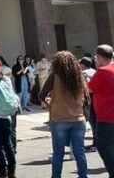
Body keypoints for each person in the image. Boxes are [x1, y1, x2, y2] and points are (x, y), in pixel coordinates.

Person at [38, 51, 89, 178]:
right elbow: (87, 100)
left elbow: (41, 95)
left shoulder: (55, 76)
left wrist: (50, 103)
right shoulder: (79, 76)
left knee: (58, 153)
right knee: (79, 152)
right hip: (78, 118)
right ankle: (83, 176)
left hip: (59, 118)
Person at [88, 44, 114, 175]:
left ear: (98, 57)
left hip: (106, 117)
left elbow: (89, 89)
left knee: (103, 146)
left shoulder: (102, 71)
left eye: (96, 59)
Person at [80, 56, 97, 151]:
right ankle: (96, 142)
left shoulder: (84, 73)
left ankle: (95, 143)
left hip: (89, 98)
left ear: (83, 64)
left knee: (92, 121)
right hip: (96, 98)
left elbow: (87, 86)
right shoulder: (94, 71)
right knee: (96, 121)